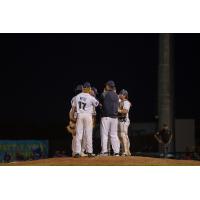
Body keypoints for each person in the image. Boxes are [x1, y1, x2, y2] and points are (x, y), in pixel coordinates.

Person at [72, 82, 99, 158]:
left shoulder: (77, 96)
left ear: (83, 88)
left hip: (79, 115)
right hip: (88, 116)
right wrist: (92, 95)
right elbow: (97, 103)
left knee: (79, 134)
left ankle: (77, 152)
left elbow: (74, 107)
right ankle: (90, 152)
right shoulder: (90, 97)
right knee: (88, 134)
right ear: (89, 88)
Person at [100, 80, 120, 156]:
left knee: (104, 134)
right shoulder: (116, 95)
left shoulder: (104, 94)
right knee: (114, 134)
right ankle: (116, 152)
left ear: (108, 86)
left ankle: (104, 152)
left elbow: (100, 104)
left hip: (106, 117)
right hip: (115, 117)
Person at [118, 89, 132, 156]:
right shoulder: (120, 101)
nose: (120, 94)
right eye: (120, 93)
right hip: (120, 120)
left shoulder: (126, 102)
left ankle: (126, 151)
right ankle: (125, 150)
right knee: (120, 136)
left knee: (123, 135)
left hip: (124, 121)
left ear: (125, 95)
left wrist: (118, 110)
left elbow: (125, 111)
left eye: (122, 94)